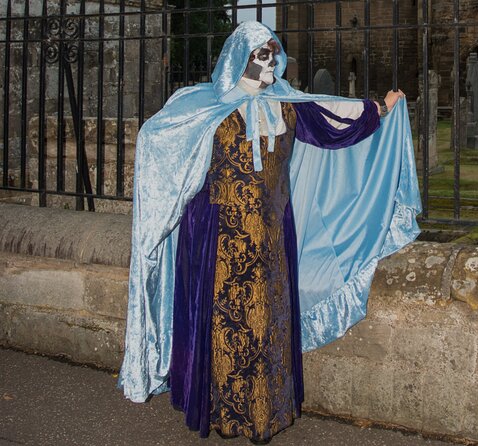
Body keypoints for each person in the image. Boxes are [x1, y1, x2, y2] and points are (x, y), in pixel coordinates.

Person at [118, 21, 421, 444]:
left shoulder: (287, 105)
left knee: (267, 320)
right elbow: (161, 140)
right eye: (261, 55)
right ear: (239, 59)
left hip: (272, 235)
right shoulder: (207, 106)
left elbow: (336, 118)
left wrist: (381, 108)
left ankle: (265, 411)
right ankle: (225, 411)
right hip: (216, 235)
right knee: (224, 321)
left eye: (272, 54)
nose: (270, 62)